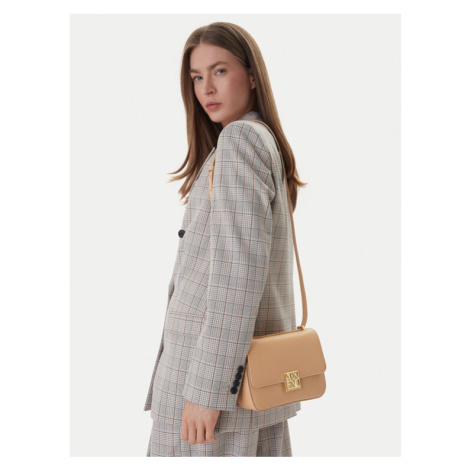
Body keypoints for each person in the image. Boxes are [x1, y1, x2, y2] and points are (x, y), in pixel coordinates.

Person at [144, 21, 307, 457]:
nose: (206, 89)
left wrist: (207, 391)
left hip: (211, 392)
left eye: (220, 71)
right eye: (197, 77)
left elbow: (237, 278)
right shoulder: (258, 140)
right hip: (245, 387)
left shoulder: (239, 141)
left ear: (252, 76)